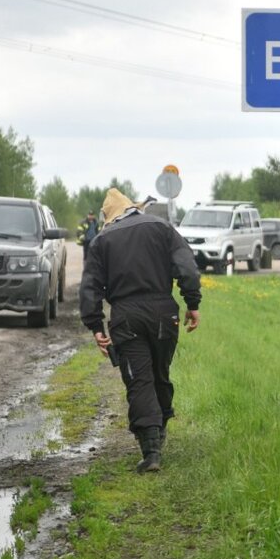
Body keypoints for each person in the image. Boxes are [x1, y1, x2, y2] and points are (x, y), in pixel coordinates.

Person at [80, 188, 202, 474]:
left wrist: (96, 325)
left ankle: (151, 451)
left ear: (110, 217)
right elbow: (186, 267)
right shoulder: (162, 228)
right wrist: (192, 303)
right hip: (164, 313)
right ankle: (158, 432)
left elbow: (90, 287)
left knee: (139, 380)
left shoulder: (102, 240)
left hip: (127, 317)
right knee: (159, 373)